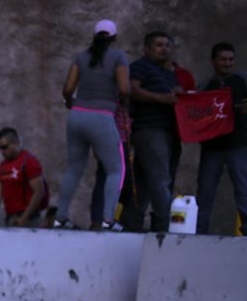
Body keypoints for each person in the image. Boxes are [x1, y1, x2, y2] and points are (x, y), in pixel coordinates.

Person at [54, 19, 130, 230]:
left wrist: (70, 103)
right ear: (114, 37)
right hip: (102, 118)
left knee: (74, 169)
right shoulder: (118, 57)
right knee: (116, 170)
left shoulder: (81, 56)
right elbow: (124, 89)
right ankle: (108, 220)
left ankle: (60, 218)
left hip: (77, 116)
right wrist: (122, 101)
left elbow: (68, 89)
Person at [127, 31, 183, 232]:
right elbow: (132, 89)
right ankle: (165, 226)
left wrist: (180, 94)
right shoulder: (140, 66)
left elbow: (179, 96)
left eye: (167, 45)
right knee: (160, 180)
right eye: (159, 45)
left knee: (144, 181)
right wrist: (160, 98)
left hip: (168, 132)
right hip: (149, 130)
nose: (164, 49)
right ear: (146, 49)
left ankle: (131, 224)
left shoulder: (168, 73)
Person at [195, 42, 247, 234]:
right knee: (205, 192)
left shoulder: (242, 81)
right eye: (223, 59)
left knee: (244, 190)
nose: (228, 63)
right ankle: (199, 233)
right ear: (213, 61)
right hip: (212, 147)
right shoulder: (204, 86)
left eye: (231, 59)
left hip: (238, 144)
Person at [0, 128, 47, 227]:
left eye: (4, 147)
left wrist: (25, 217)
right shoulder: (2, 166)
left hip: (29, 219)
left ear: (15, 143)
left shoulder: (29, 161)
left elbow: (39, 191)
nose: (1, 151)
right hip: (11, 218)